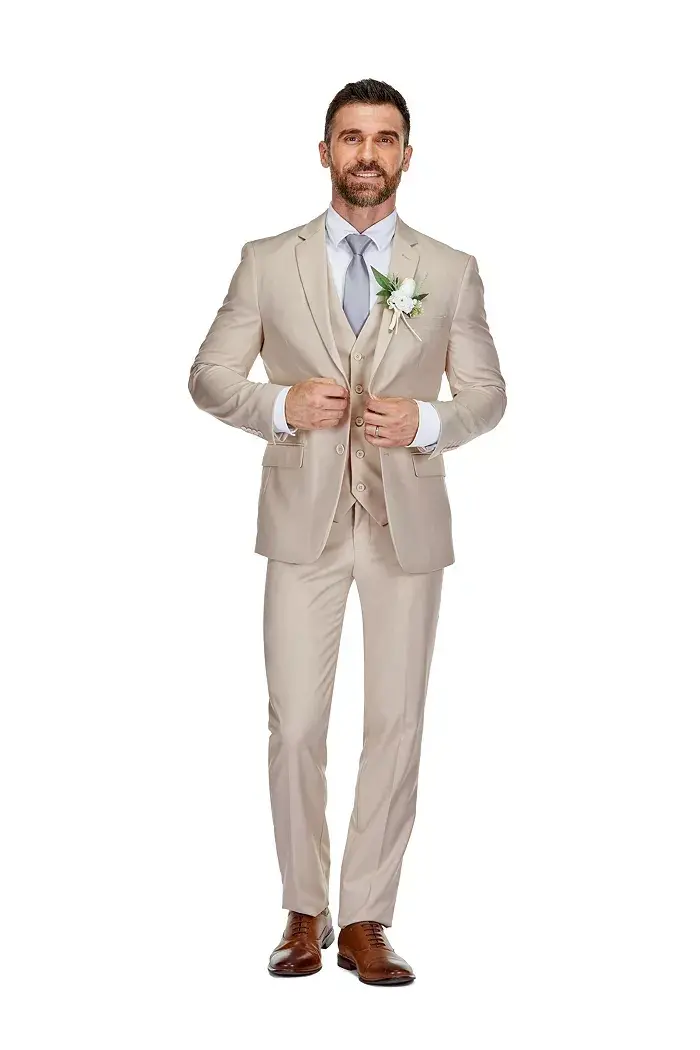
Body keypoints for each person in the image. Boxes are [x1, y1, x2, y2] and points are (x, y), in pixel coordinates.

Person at [188, 78, 506, 986]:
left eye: (385, 138)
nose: (368, 153)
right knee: (295, 724)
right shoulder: (265, 260)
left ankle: (367, 917)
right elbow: (209, 376)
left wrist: (430, 421)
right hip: (304, 522)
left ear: (407, 155)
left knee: (396, 721)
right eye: (352, 137)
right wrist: (279, 405)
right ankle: (304, 909)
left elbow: (488, 395)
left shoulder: (450, 268)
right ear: (324, 152)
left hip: (406, 521)